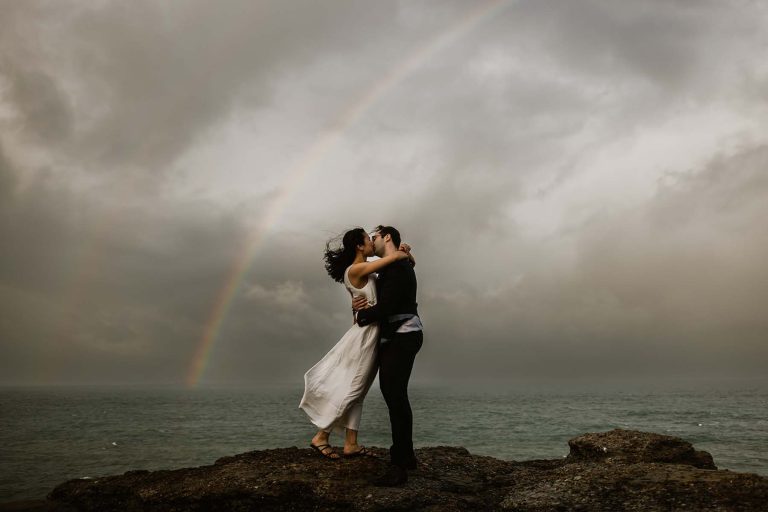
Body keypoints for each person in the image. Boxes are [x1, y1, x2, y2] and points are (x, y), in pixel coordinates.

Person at [299, 227, 413, 460]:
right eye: (368, 240)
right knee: (354, 389)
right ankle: (321, 436)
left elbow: (395, 270)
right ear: (359, 246)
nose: (371, 242)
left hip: (372, 334)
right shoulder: (356, 269)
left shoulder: (366, 270)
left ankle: (351, 443)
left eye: (373, 238)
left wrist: (406, 254)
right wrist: (403, 252)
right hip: (365, 336)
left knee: (359, 392)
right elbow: (394, 260)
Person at [353, 225, 423, 486]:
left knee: (395, 395)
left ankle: (399, 465)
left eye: (375, 237)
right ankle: (406, 457)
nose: (372, 242)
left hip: (404, 334)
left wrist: (361, 315)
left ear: (387, 237)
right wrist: (358, 302)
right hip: (396, 336)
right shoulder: (392, 266)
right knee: (394, 394)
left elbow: (388, 306)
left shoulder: (398, 267)